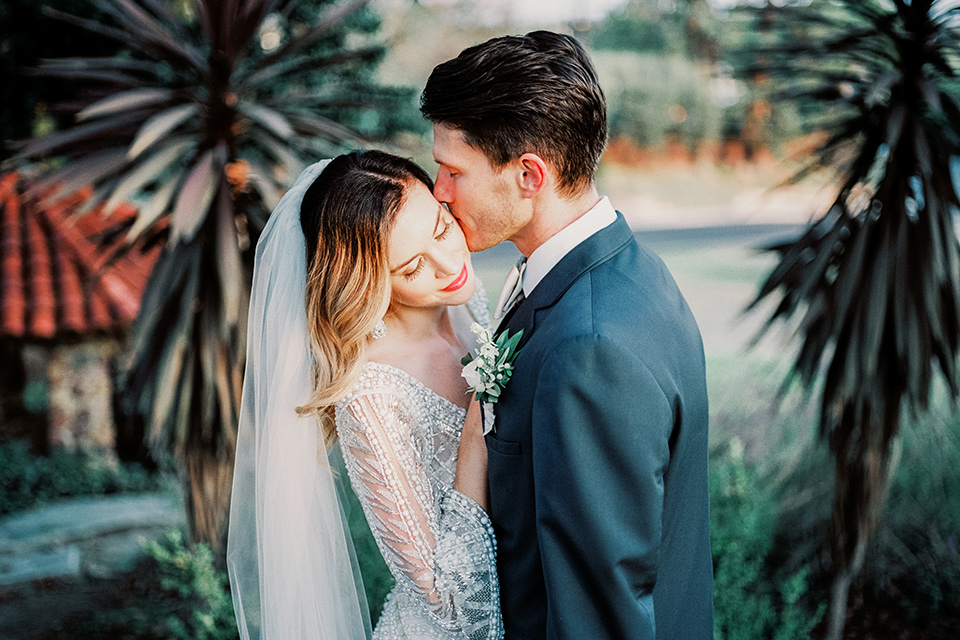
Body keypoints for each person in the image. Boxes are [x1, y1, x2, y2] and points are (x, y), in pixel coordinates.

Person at [420, 30, 714, 639]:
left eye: (453, 171)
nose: (438, 192)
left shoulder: (589, 348)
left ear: (529, 174)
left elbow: (599, 614)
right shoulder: (627, 270)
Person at [226, 151, 503, 640]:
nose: (450, 263)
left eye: (441, 227)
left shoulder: (464, 301)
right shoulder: (371, 395)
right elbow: (449, 603)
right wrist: (477, 430)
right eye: (413, 267)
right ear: (371, 281)